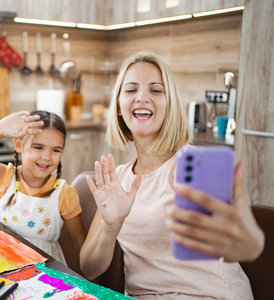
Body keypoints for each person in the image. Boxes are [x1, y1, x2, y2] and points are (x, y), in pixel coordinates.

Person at [79, 51, 264, 299]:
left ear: (171, 105)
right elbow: (89, 268)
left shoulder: (193, 164)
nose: (142, 97)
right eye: (131, 89)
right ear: (120, 108)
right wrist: (110, 227)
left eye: (156, 90)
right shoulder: (119, 180)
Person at [0, 110, 86, 265]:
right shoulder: (5, 177)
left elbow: (80, 245)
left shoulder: (65, 193)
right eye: (38, 147)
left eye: (56, 150)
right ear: (19, 145)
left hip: (44, 272)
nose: (47, 157)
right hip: (1, 263)